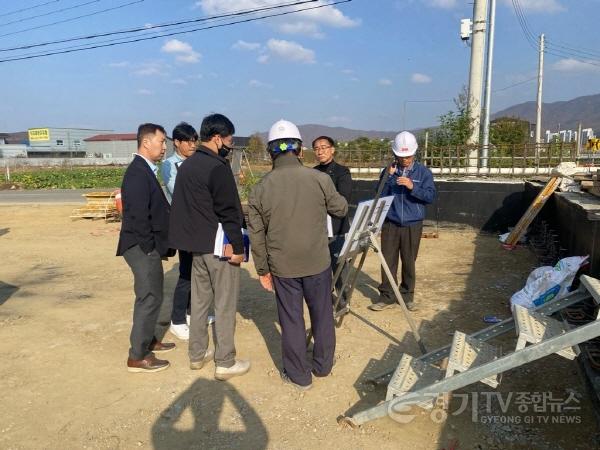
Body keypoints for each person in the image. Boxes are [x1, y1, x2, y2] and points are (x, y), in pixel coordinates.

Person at [247, 120, 348, 391]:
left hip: (283, 267)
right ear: (300, 150)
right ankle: (323, 365)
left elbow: (256, 235)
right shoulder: (319, 179)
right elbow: (340, 209)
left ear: (271, 152)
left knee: (291, 320)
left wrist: (262, 270)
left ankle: (299, 375)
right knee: (323, 314)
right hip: (317, 262)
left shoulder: (260, 189)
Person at [169, 113, 250, 380]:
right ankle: (225, 361)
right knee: (225, 304)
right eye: (229, 139)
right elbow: (229, 212)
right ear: (217, 138)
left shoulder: (188, 166)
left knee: (200, 303)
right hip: (219, 248)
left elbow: (182, 209)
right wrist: (238, 248)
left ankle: (197, 354)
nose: (230, 144)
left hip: (196, 249)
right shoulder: (218, 167)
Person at [117, 123, 176, 373]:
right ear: (146, 142)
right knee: (149, 297)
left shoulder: (146, 170)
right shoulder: (137, 173)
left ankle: (149, 339)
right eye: (162, 142)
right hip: (141, 247)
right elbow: (139, 217)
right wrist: (150, 248)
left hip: (146, 245)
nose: (164, 147)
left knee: (155, 295)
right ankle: (137, 355)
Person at [369, 131, 436, 312]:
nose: (405, 159)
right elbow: (379, 195)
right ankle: (387, 296)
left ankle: (407, 295)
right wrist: (388, 178)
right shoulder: (388, 171)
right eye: (401, 156)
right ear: (395, 155)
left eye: (408, 156)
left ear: (414, 153)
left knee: (409, 260)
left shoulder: (423, 173)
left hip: (413, 224)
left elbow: (430, 196)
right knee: (387, 260)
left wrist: (412, 186)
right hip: (390, 223)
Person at [161, 122, 214, 341]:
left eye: (195, 140)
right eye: (189, 141)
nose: (193, 145)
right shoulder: (169, 165)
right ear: (177, 143)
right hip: (184, 227)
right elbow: (178, 190)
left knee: (198, 272)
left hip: (199, 225)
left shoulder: (195, 162)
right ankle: (177, 320)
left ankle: (194, 313)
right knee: (185, 274)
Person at [312, 136, 352, 310]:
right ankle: (327, 300)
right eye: (316, 148)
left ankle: (343, 300)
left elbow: (343, 198)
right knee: (320, 268)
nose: (320, 151)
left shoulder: (342, 172)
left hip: (337, 228)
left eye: (324, 147)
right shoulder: (312, 173)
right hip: (318, 229)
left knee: (339, 265)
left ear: (332, 149)